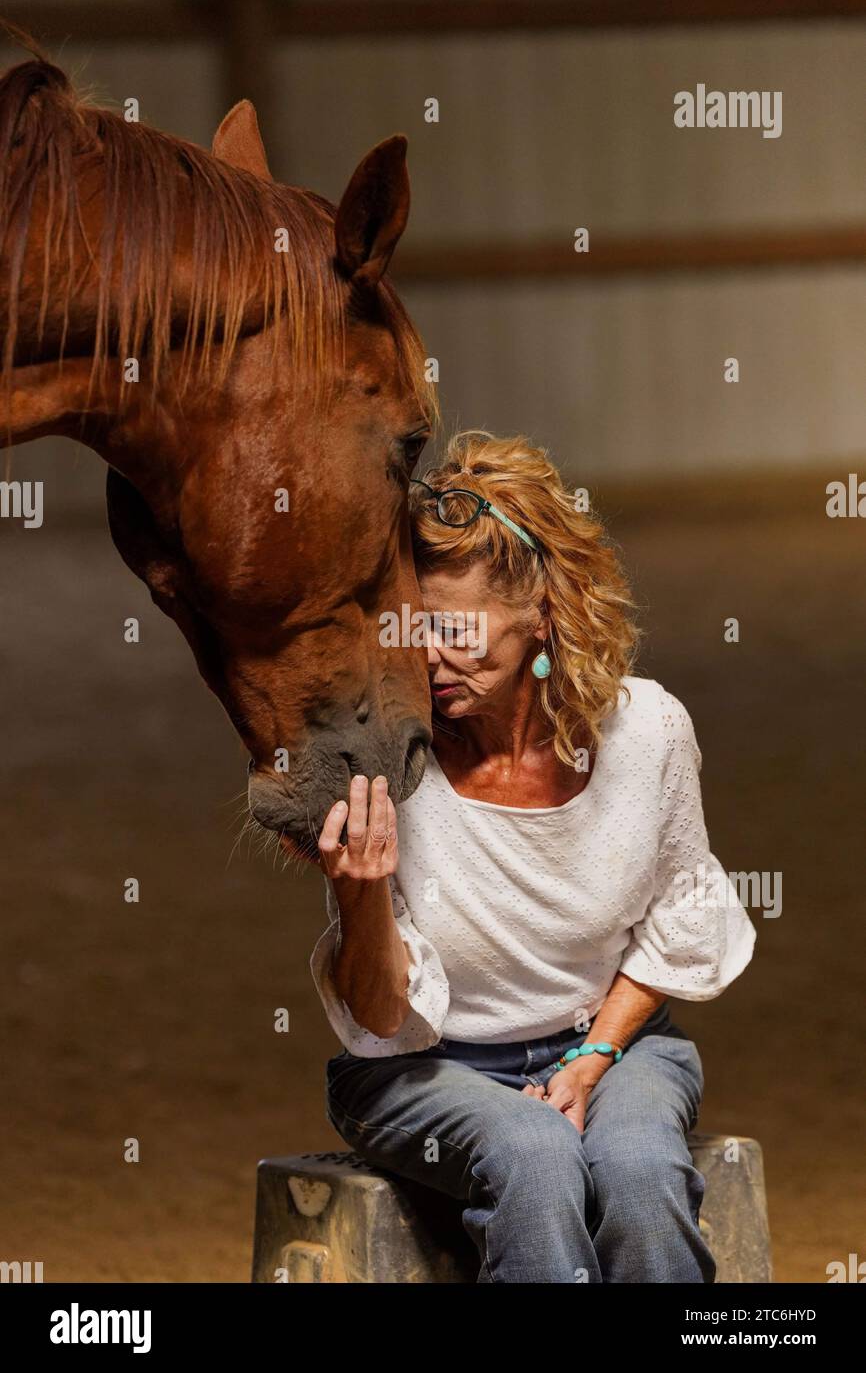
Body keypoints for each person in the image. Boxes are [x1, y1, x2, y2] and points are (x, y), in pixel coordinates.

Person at [310, 429, 756, 1284]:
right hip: (423, 1068)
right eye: (410, 626)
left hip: (615, 1043)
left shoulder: (648, 731)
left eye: (454, 629)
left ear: (541, 615)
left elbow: (682, 914)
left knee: (639, 1172)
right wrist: (361, 897)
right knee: (537, 1155)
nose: (425, 656)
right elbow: (378, 1020)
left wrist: (594, 1059)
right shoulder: (384, 762)